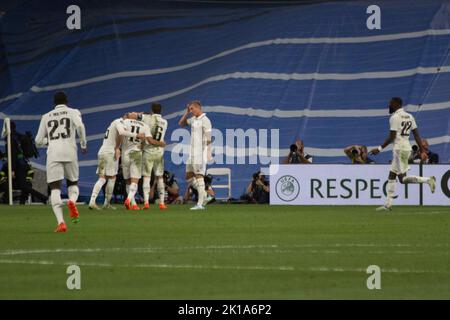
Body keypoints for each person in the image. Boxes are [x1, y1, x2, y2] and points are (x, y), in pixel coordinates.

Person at [369, 97, 436, 211]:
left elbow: (392, 136)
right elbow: (416, 135)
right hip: (404, 148)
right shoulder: (410, 116)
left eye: (390, 104)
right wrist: (423, 150)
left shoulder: (394, 117)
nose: (388, 106)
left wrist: (379, 149)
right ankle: (388, 204)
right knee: (392, 175)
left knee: (403, 179)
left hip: (400, 149)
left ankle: (428, 180)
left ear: (396, 104)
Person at [35, 91, 87, 232]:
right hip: (70, 151)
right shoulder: (73, 112)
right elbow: (80, 127)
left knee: (55, 188)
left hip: (53, 154)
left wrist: (49, 141)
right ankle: (72, 201)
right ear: (67, 101)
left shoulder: (46, 116)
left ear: (54, 103)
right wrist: (83, 144)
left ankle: (61, 223)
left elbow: (38, 141)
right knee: (72, 182)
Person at [88, 112, 145, 210]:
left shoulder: (115, 123)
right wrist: (136, 135)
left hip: (102, 151)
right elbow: (122, 133)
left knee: (102, 178)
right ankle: (106, 203)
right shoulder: (119, 121)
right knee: (112, 178)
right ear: (125, 117)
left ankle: (93, 201)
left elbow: (120, 135)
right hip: (110, 153)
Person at [121, 116, 165, 210]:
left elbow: (120, 133)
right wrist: (160, 143)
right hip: (136, 153)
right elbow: (150, 140)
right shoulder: (144, 125)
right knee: (135, 180)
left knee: (128, 181)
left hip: (125, 154)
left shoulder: (126, 121)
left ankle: (134, 204)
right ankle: (129, 200)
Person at [178, 100, 213, 210]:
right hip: (192, 153)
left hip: (200, 153)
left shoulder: (205, 120)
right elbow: (181, 124)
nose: (191, 111)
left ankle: (200, 204)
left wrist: (208, 152)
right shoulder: (193, 119)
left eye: (192, 109)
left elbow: (208, 138)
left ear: (198, 108)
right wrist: (186, 112)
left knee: (199, 176)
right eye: (190, 109)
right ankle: (205, 196)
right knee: (189, 176)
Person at [140, 103, 169, 210]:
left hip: (148, 151)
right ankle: (162, 203)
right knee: (160, 177)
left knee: (147, 177)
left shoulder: (148, 119)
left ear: (151, 110)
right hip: (159, 152)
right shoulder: (165, 122)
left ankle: (146, 202)